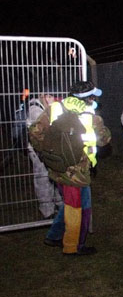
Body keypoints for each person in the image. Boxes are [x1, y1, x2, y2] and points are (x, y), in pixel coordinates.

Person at [29, 81, 111, 256]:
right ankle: (73, 246)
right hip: (77, 172)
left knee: (69, 204)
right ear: (88, 98)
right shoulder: (91, 117)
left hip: (57, 166)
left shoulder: (55, 108)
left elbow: (34, 132)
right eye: (93, 95)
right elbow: (104, 139)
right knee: (80, 208)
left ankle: (54, 235)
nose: (95, 98)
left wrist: (46, 153)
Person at [25, 85, 64, 218]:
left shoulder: (51, 108)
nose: (51, 99)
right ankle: (47, 209)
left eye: (53, 96)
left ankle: (59, 203)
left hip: (51, 147)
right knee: (42, 177)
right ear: (41, 96)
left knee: (55, 174)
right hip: (38, 150)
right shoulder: (35, 109)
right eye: (48, 96)